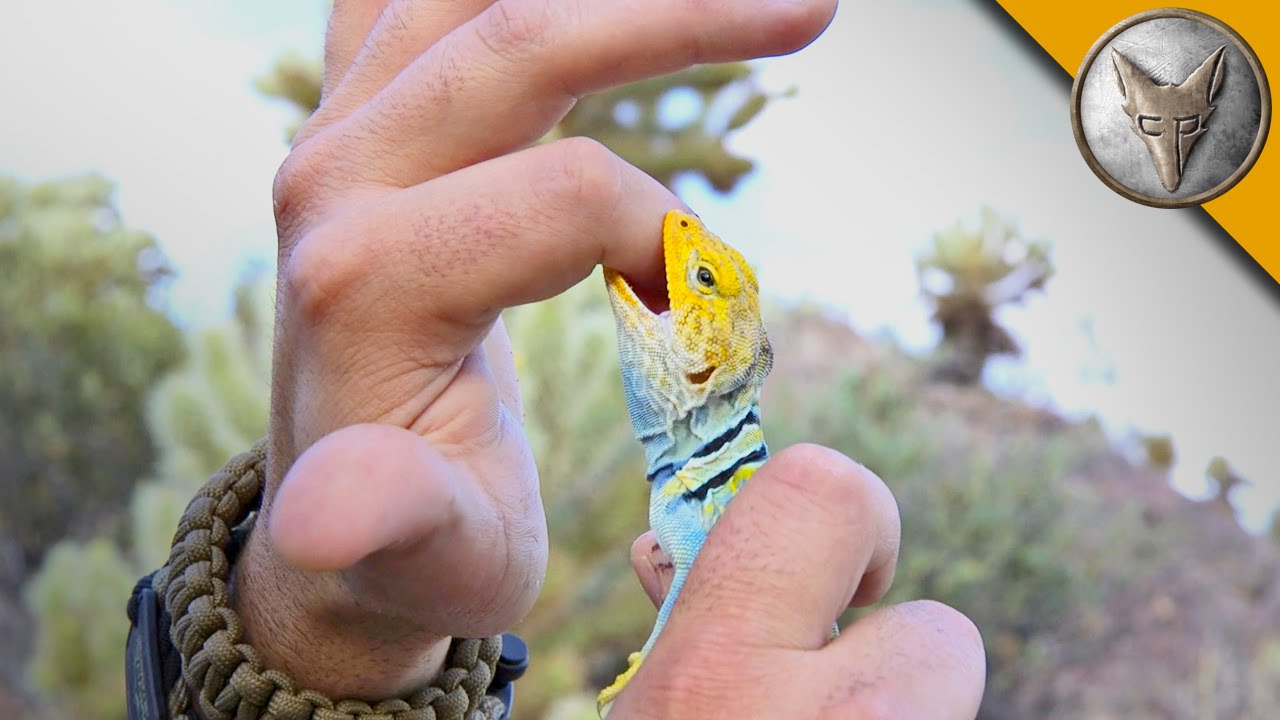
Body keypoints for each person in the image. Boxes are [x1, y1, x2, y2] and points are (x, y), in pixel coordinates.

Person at [226, 0, 987, 716]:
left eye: (696, 286)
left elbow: (701, 604)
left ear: (703, 367)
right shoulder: (694, 495)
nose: (673, 253)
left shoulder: (703, 502)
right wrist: (319, 646)